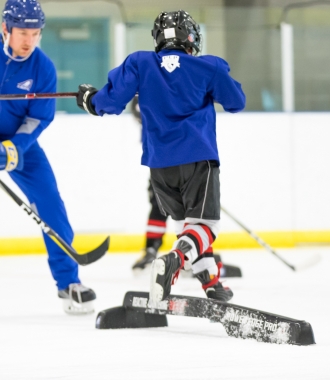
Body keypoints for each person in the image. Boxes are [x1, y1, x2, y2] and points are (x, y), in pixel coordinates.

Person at [77, 10, 245, 306]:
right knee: (206, 228)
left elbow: (110, 102)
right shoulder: (209, 67)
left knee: (188, 227)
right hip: (197, 160)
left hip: (159, 167)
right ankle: (173, 262)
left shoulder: (140, 63)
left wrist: (91, 100)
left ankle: (212, 284)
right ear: (192, 39)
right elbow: (236, 102)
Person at [0, 0, 96, 314]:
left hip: (19, 143)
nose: (28, 40)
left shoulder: (43, 68)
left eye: (35, 33)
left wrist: (13, 148)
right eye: (22, 32)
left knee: (50, 202)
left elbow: (38, 118)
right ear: (5, 29)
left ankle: (68, 282)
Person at [130, 95, 242, 278]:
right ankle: (185, 258)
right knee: (198, 217)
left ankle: (173, 255)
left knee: (174, 211)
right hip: (184, 157)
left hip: (161, 160)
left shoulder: (150, 79)